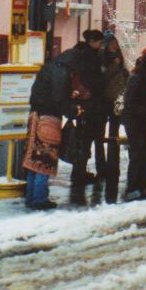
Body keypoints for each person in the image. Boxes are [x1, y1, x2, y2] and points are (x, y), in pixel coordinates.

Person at [23, 50, 82, 210]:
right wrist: (73, 110)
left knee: (33, 161)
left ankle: (31, 197)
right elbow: (59, 99)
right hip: (48, 119)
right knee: (45, 160)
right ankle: (40, 198)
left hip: (35, 116)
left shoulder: (49, 68)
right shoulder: (61, 72)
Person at [60, 29, 105, 187]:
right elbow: (92, 80)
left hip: (81, 104)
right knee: (84, 140)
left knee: (82, 139)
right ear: (92, 42)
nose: (101, 46)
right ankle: (79, 174)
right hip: (88, 105)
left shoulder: (79, 54)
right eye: (99, 42)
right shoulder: (89, 57)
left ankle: (78, 172)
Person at [123, 48, 146, 201]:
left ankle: (144, 185)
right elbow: (129, 104)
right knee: (137, 154)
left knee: (145, 153)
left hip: (143, 120)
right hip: (134, 122)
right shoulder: (136, 79)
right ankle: (132, 188)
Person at [99, 30, 127, 186]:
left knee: (114, 133)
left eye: (116, 44)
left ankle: (111, 163)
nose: (115, 46)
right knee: (102, 135)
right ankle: (105, 166)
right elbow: (104, 79)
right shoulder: (105, 60)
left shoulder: (118, 59)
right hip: (106, 99)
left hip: (117, 99)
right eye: (112, 44)